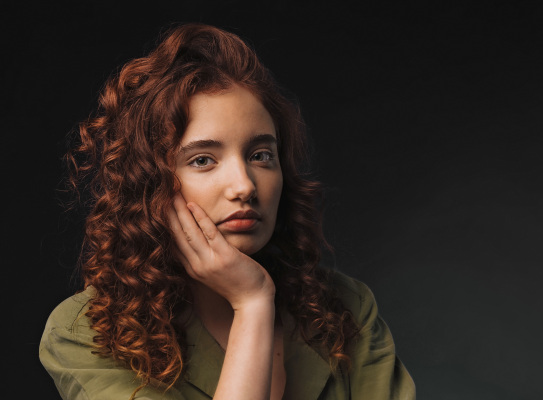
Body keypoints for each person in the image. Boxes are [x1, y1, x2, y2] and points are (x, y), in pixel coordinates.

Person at [39, 23, 416, 400]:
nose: (245, 186)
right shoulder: (85, 331)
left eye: (261, 156)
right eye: (203, 160)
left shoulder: (347, 306)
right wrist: (252, 304)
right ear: (147, 183)